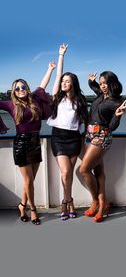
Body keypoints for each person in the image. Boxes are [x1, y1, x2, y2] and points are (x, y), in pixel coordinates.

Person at [0, 62, 56, 225]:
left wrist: (50, 69)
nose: (20, 90)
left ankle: (21, 205)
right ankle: (33, 210)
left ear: (27, 87)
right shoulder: (10, 105)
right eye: (17, 88)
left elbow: (43, 84)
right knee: (29, 181)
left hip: (35, 142)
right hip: (21, 144)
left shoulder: (36, 99)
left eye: (22, 86)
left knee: (29, 181)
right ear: (14, 92)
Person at [47, 44, 89, 220]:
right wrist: (61, 55)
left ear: (73, 84)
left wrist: (85, 139)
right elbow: (57, 75)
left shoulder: (80, 101)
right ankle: (66, 201)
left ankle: (69, 201)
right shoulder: (57, 96)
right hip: (58, 137)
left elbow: (84, 123)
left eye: (67, 81)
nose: (64, 83)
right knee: (65, 172)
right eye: (63, 81)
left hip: (74, 139)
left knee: (69, 174)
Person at [79, 71, 126, 222]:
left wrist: (118, 116)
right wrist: (90, 81)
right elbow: (94, 87)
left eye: (105, 83)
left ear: (112, 83)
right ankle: (103, 204)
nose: (102, 86)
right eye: (100, 83)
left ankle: (95, 201)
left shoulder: (116, 102)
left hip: (102, 136)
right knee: (98, 170)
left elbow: (112, 126)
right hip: (89, 134)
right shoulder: (100, 94)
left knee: (84, 169)